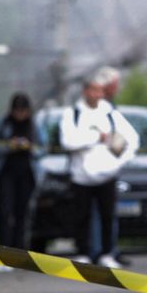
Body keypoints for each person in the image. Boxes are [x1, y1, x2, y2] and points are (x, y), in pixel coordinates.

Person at [59, 75, 136, 268]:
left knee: (107, 215)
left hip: (108, 175)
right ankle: (83, 252)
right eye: (93, 90)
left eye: (100, 90)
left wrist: (120, 162)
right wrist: (95, 137)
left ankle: (107, 253)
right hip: (81, 176)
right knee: (81, 216)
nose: (96, 94)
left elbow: (131, 139)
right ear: (85, 91)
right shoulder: (73, 113)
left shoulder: (110, 113)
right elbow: (68, 140)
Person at [0, 92, 38, 260]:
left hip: (27, 175)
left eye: (23, 111)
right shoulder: (2, 124)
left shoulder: (34, 125)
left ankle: (19, 252)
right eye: (17, 111)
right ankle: (3, 251)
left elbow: (43, 148)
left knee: (22, 213)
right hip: (5, 175)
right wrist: (8, 146)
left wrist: (29, 147)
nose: (20, 114)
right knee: (5, 212)